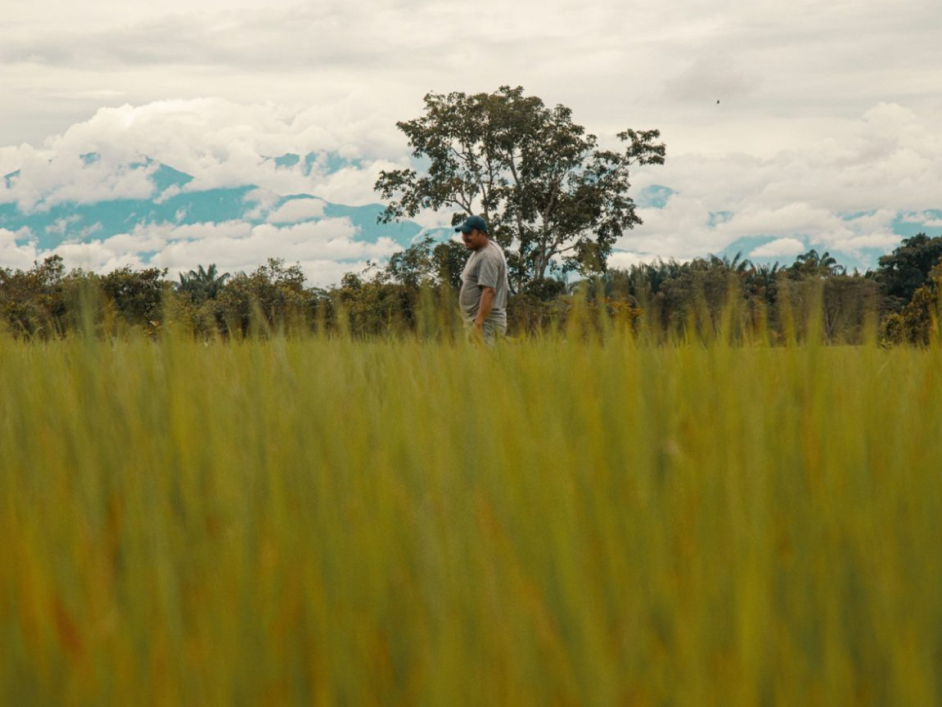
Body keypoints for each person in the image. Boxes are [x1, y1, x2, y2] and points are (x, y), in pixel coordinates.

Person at [456, 215, 509, 344]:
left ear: (482, 234)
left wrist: (478, 324)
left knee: (484, 363)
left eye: (468, 233)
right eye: (463, 233)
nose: (464, 237)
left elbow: (489, 291)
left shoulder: (487, 257)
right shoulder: (482, 250)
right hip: (480, 323)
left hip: (485, 325)